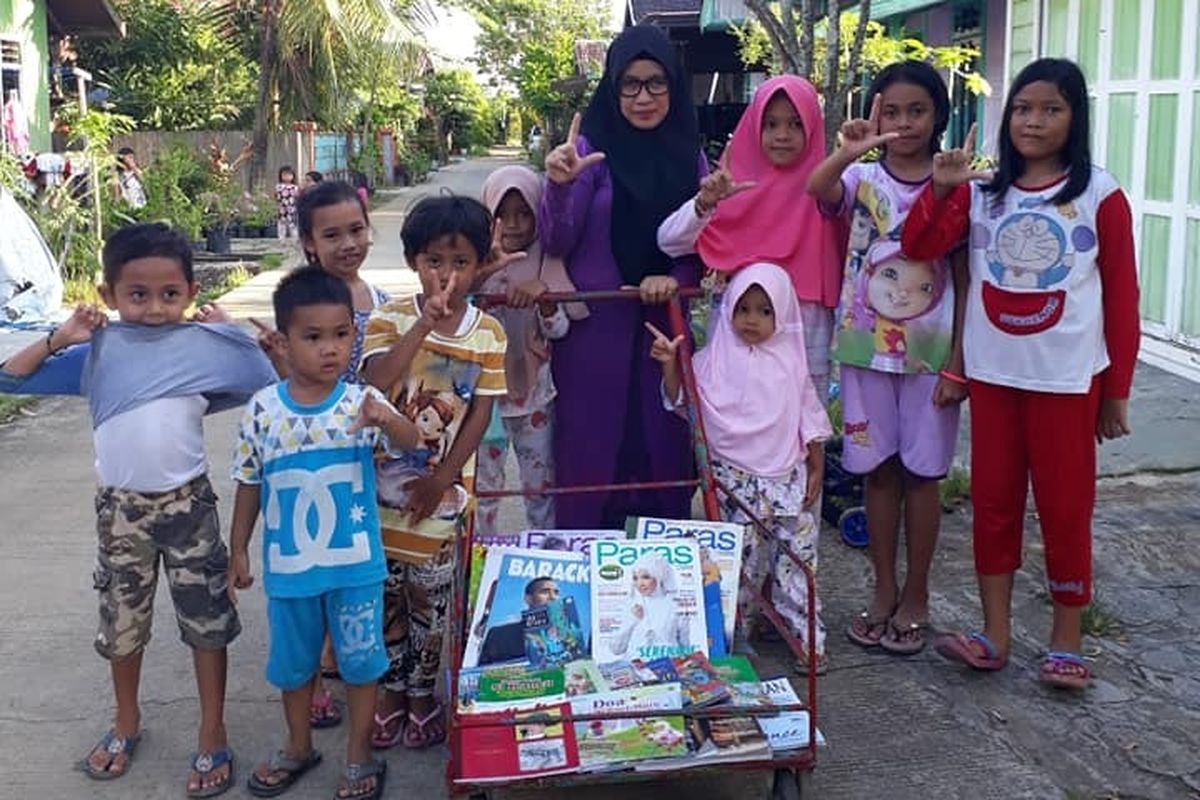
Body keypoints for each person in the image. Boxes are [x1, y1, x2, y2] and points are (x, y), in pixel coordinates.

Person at [0, 222, 276, 796]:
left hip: (189, 507)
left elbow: (270, 376)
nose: (154, 308)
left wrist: (233, 335)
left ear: (192, 291)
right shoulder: (98, 351)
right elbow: (11, 377)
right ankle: (126, 720)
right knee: (122, 625)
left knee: (208, 623)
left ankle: (212, 729)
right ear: (108, 296)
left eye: (170, 294)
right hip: (121, 513)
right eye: (138, 295)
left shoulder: (203, 348)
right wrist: (62, 336)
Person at [900, 58, 1139, 689]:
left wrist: (1116, 391)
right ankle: (994, 633)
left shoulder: (1100, 194)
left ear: (1074, 117)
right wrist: (943, 189)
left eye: (1050, 109)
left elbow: (1122, 296)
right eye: (1023, 109)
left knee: (1065, 508)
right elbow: (920, 247)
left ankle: (1067, 639)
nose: (1033, 121)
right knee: (994, 505)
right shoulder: (983, 193)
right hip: (994, 377)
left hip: (1067, 381)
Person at [229, 266, 417, 800]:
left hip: (355, 570)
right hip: (290, 573)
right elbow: (248, 481)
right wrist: (239, 547)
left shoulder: (360, 403)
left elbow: (411, 445)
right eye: (313, 338)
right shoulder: (262, 410)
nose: (329, 349)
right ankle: (298, 744)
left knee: (361, 663)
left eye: (340, 335)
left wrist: (386, 419)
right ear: (284, 342)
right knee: (293, 668)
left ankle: (359, 753)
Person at [806, 61, 967, 656]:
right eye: (891, 112)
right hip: (864, 350)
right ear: (875, 114)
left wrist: (959, 360)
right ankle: (882, 590)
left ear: (938, 117)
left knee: (924, 475)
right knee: (877, 472)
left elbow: (965, 275)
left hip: (929, 358)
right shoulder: (863, 179)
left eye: (916, 111)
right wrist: (852, 149)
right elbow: (816, 188)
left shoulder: (956, 180)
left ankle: (917, 596)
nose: (904, 123)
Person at [539, 25, 707, 528]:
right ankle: (585, 576)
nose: (643, 97)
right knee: (590, 451)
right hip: (595, 335)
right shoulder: (589, 150)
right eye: (629, 84)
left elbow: (706, 238)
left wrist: (675, 276)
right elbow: (556, 241)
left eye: (656, 83)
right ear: (613, 89)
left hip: (664, 328)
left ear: (674, 88)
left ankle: (661, 582)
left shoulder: (689, 155)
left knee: (664, 448)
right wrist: (560, 188)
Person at [361, 195, 509, 749]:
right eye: (433, 262)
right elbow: (377, 379)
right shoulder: (390, 317)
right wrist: (420, 327)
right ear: (412, 262)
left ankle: (423, 695)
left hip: (441, 501)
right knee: (384, 602)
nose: (446, 276)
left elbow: (480, 416)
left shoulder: (488, 334)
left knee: (431, 605)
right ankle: (390, 695)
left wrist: (442, 479)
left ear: (478, 267)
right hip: (377, 497)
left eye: (461, 263)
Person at [648, 263, 832, 671]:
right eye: (743, 308)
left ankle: (806, 639)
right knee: (736, 567)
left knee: (796, 565)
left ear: (782, 315)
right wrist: (669, 364)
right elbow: (685, 403)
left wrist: (816, 466)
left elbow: (810, 418)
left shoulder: (790, 361)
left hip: (787, 480)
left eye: (765, 311)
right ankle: (732, 637)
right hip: (733, 481)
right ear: (728, 309)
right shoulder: (713, 360)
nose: (752, 319)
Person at [256, 179, 392, 727]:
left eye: (356, 230)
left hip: (363, 450)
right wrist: (277, 361)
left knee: (350, 570)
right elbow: (290, 384)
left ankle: (344, 657)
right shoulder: (301, 299)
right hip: (312, 457)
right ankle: (311, 675)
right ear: (309, 242)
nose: (347, 244)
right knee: (308, 579)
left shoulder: (380, 301)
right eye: (331, 234)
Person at [657, 74, 843, 402]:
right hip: (737, 323)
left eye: (796, 124)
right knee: (732, 411)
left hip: (804, 321)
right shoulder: (731, 188)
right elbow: (668, 241)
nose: (782, 135)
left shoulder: (826, 192)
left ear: (813, 128)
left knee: (799, 418)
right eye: (770, 124)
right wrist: (705, 204)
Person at [475, 165, 583, 534]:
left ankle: (544, 553)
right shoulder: (473, 264)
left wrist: (547, 302)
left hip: (535, 399)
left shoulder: (547, 264)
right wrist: (480, 283)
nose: (513, 225)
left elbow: (559, 330)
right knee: (485, 488)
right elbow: (457, 323)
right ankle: (483, 557)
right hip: (484, 404)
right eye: (501, 216)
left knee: (539, 488)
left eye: (525, 214)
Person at [610, 550, 687, 657]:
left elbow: (687, 644)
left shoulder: (675, 605)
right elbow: (616, 649)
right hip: (635, 670)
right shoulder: (631, 604)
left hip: (667, 669)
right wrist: (633, 620)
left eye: (646, 577)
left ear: (658, 576)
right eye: (635, 578)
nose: (640, 584)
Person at [477, 577, 561, 665]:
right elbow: (482, 672)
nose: (553, 597)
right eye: (545, 592)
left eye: (556, 593)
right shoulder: (499, 634)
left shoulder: (567, 634)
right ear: (528, 599)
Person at [275, 166, 300, 240]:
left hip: (292, 209)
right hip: (282, 209)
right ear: (281, 176)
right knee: (281, 224)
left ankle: (295, 238)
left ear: (293, 176)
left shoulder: (295, 187)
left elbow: (298, 197)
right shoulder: (278, 186)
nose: (287, 177)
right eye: (284, 175)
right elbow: (276, 196)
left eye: (289, 175)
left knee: (293, 224)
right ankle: (281, 238)